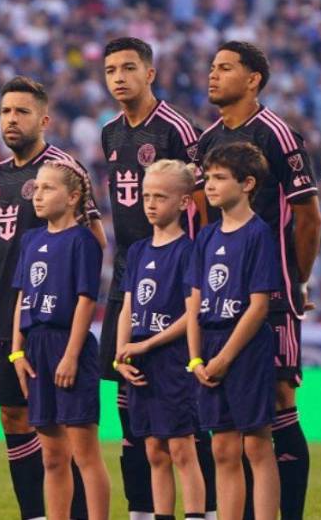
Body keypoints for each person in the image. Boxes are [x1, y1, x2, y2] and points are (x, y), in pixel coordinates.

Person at [192, 41, 321, 520]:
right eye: (212, 67)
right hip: (222, 301)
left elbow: (308, 216)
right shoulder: (206, 142)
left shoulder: (277, 134)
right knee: (229, 428)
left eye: (224, 68)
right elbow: (206, 221)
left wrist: (297, 281)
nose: (212, 75)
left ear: (253, 79)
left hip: (270, 293)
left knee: (279, 398)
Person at [99, 36, 215, 520]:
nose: (119, 77)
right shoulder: (109, 133)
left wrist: (202, 264)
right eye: (110, 70)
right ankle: (144, 510)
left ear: (150, 73)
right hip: (132, 268)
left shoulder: (177, 129)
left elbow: (203, 202)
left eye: (129, 68)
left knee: (186, 417)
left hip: (176, 271)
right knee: (130, 401)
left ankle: (201, 511)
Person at [0, 76, 100, 520]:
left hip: (54, 321)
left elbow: (92, 240)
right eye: (6, 112)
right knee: (13, 417)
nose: (11, 120)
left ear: (44, 119)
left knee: (67, 431)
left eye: (21, 112)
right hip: (11, 310)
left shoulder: (63, 170)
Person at [10, 161, 111, 520]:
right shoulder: (31, 239)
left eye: (47, 188)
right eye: (36, 188)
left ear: (72, 197)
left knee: (85, 453)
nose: (38, 195)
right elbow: (23, 297)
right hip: (36, 349)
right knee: (52, 455)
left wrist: (71, 355)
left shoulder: (83, 241)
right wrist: (15, 351)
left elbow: (87, 300)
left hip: (68, 345)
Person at [187, 141, 281, 520]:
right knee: (222, 449)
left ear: (247, 184)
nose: (209, 185)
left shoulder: (258, 234)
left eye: (220, 178)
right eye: (207, 177)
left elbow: (258, 306)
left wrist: (225, 358)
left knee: (257, 446)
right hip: (208, 347)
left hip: (243, 350)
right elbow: (193, 299)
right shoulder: (207, 236)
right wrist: (196, 357)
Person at [115, 159, 206, 520]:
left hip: (173, 360)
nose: (150, 204)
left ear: (185, 202)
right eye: (146, 196)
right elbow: (127, 305)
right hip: (140, 362)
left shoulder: (190, 250)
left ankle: (197, 514)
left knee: (183, 449)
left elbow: (193, 314)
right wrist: (122, 354)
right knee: (153, 449)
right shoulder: (137, 250)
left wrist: (148, 344)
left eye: (160, 197)